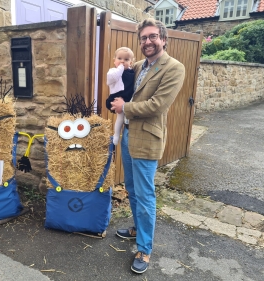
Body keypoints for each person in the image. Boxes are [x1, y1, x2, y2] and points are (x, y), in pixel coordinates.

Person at [110, 19, 185, 274]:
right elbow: (126, 86)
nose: (147, 42)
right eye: (143, 38)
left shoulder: (174, 68)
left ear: (163, 39)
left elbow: (157, 105)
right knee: (131, 188)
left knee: (145, 195)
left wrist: (124, 107)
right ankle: (137, 229)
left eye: (152, 36)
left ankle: (144, 248)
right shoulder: (140, 65)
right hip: (130, 134)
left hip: (148, 138)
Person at [105, 47, 135, 145]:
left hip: (127, 98)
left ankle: (123, 133)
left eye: (126, 60)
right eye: (119, 58)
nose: (122, 61)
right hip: (117, 97)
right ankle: (116, 134)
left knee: (126, 117)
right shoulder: (113, 71)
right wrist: (121, 68)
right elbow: (111, 79)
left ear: (131, 62)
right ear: (114, 61)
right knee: (120, 117)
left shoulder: (131, 71)